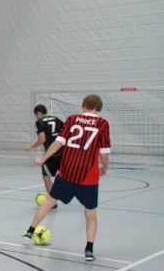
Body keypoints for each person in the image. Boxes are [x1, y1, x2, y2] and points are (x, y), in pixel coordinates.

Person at [22, 94, 110, 261]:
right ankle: (89, 249)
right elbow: (104, 153)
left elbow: (57, 143)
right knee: (90, 212)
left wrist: (43, 159)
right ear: (98, 108)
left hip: (68, 171)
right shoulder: (103, 123)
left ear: (83, 105)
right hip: (88, 176)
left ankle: (30, 231)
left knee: (49, 201)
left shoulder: (72, 119)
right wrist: (104, 168)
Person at [25, 104, 64, 209]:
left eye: (35, 115)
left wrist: (32, 146)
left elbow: (42, 139)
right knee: (67, 176)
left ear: (38, 113)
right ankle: (84, 200)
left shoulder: (40, 122)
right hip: (64, 151)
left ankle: (52, 202)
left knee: (46, 176)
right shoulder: (56, 119)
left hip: (52, 153)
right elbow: (67, 131)